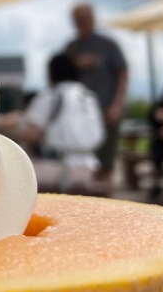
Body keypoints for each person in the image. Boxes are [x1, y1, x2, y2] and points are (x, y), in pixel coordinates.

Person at [20, 52, 105, 192]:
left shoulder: (50, 95)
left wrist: (13, 132)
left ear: (52, 73)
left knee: (16, 175)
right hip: (89, 167)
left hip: (56, 168)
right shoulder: (88, 96)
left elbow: (33, 134)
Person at [65, 3, 128, 188]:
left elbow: (123, 73)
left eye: (86, 18)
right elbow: (61, 77)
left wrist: (117, 105)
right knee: (82, 162)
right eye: (78, 19)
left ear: (93, 18)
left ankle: (106, 205)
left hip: (106, 109)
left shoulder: (107, 45)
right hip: (79, 115)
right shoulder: (71, 47)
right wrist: (76, 64)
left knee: (106, 162)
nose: (82, 22)